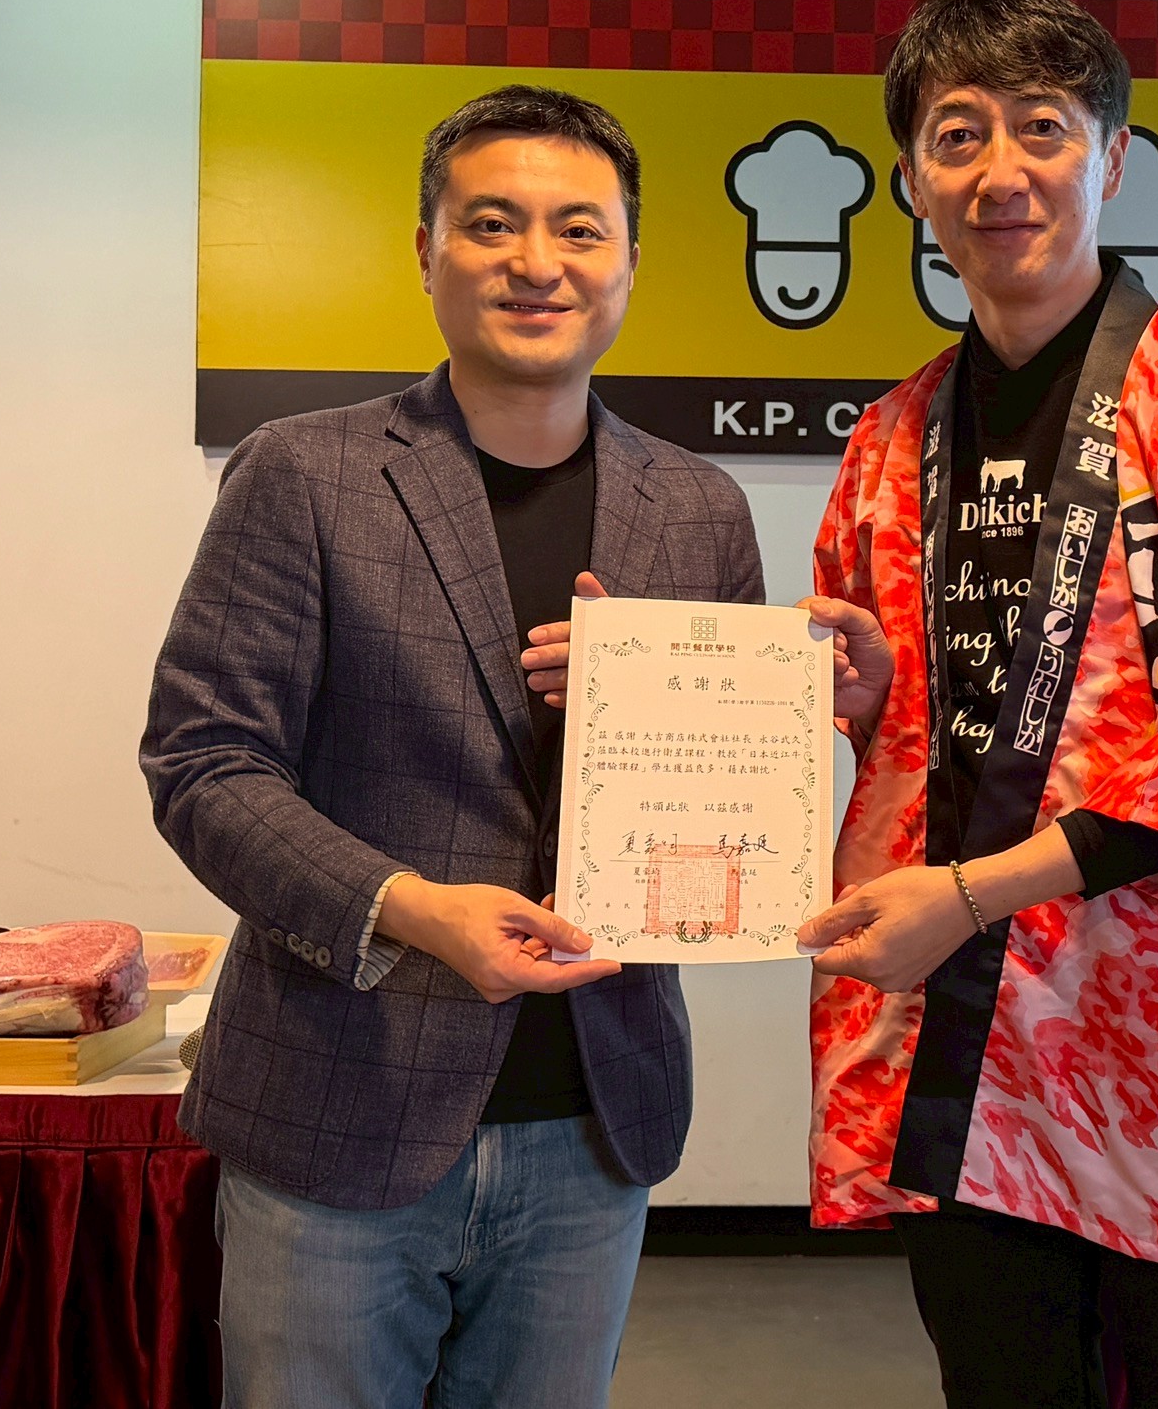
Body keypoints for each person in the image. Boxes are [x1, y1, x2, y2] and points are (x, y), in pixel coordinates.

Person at [142, 84, 764, 1409]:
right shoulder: (304, 473)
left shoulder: (697, 507)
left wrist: (708, 711)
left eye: (580, 229)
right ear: (426, 250)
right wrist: (414, 909)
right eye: (492, 224)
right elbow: (204, 762)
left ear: (631, 262)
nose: (538, 261)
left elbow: (725, 805)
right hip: (336, 1106)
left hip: (594, 1119)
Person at [796, 0, 1158, 1409]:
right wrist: (856, 695)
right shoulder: (890, 441)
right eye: (957, 135)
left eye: (1042, 128)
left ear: (1112, 157)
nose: (1001, 171)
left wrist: (972, 894)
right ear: (912, 180)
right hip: (973, 1049)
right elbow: (909, 741)